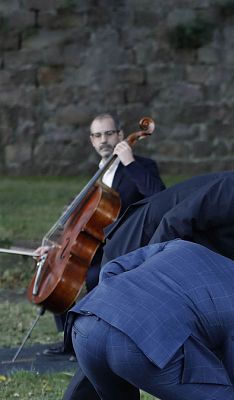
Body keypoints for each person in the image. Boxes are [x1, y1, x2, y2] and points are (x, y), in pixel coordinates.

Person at [63, 171, 234, 400]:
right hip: (142, 246)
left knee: (120, 345)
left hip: (171, 271)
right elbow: (175, 221)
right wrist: (149, 276)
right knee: (119, 332)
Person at [67, 240, 234, 400]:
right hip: (138, 348)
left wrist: (117, 304)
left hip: (87, 325)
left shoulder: (180, 246)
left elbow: (113, 267)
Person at [44, 113, 165, 357]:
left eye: (109, 133)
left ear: (120, 135)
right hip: (98, 243)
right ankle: (70, 339)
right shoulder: (96, 175)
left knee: (90, 277)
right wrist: (56, 245)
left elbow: (160, 197)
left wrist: (129, 162)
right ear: (91, 141)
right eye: (97, 135)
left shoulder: (142, 166)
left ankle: (93, 341)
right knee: (58, 272)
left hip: (127, 246)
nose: (104, 140)